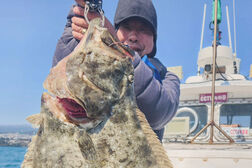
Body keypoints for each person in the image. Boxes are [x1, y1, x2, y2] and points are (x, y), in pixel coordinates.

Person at [52, 0, 180, 141]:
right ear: (116, 31)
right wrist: (77, 26)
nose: (133, 37)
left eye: (143, 29)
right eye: (126, 27)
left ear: (154, 39)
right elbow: (63, 83)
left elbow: (158, 113)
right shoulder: (99, 60)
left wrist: (120, 51)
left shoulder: (168, 77)